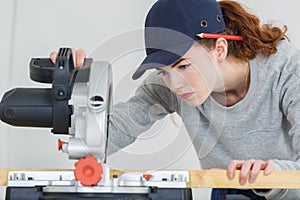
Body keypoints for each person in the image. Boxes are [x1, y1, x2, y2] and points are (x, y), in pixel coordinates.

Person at [50, 0, 300, 199]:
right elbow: (104, 137)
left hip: (290, 187)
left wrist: (271, 175)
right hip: (228, 188)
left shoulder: (286, 69)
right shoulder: (167, 85)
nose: (175, 84)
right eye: (163, 71)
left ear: (219, 49)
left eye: (183, 66)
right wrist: (73, 89)